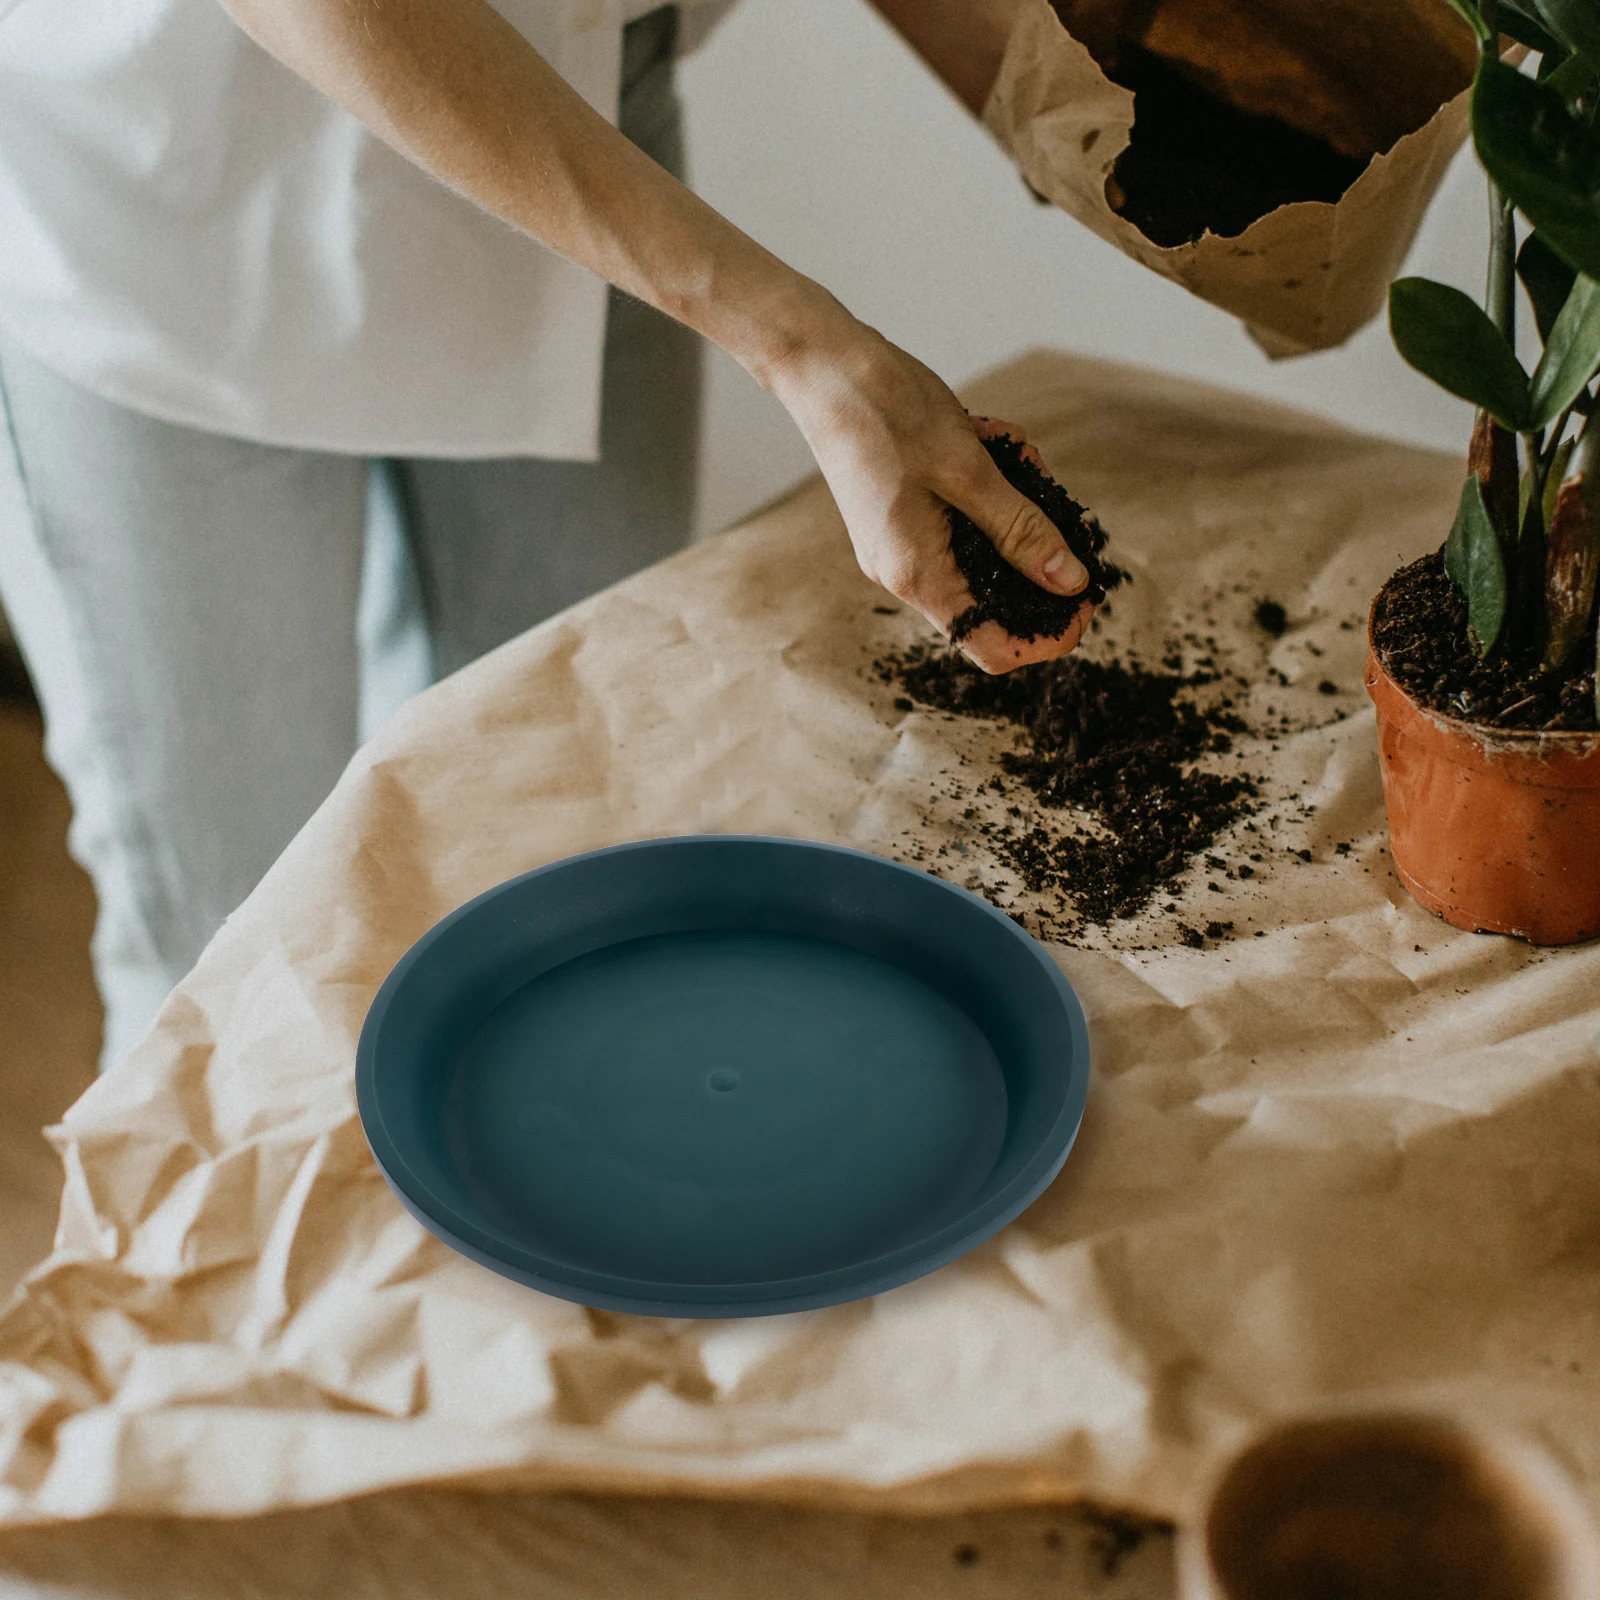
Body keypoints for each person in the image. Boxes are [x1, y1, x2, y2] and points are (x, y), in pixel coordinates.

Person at [0, 0, 1094, 1072]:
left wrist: (1120, 153)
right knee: (229, 923)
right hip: (162, 196)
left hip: (576, 114)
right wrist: (806, 351)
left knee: (567, 810)